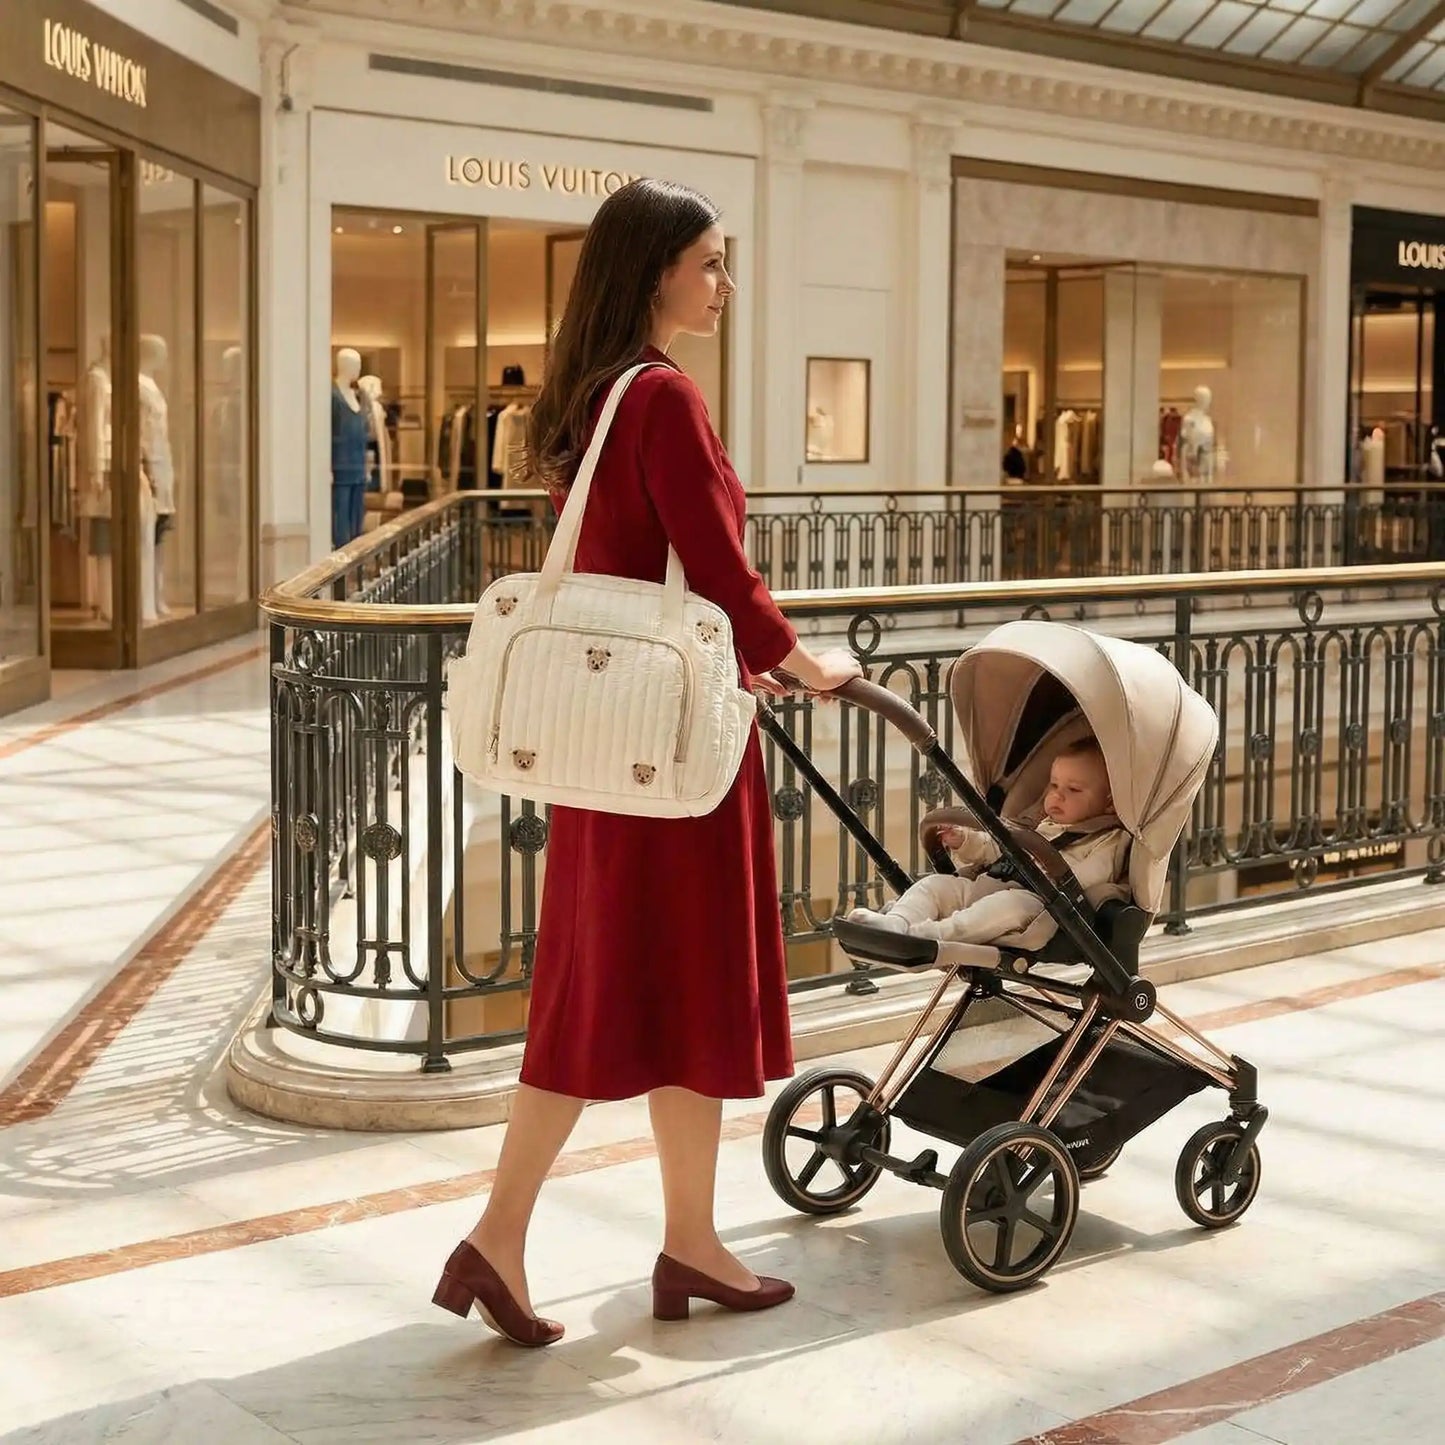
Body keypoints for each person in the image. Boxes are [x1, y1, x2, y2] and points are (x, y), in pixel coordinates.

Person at [432, 179, 863, 1347]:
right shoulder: (662, 398)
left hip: (609, 751)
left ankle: (671, 1238)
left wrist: (749, 656)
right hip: (673, 763)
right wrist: (799, 658)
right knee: (660, 989)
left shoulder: (595, 394)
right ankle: (517, 1233)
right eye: (711, 263)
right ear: (657, 270)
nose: (725, 284)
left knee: (623, 993)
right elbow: (713, 566)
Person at [847, 738, 1128, 948]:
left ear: (1109, 803)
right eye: (1054, 786)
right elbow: (996, 850)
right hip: (990, 883)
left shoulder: (1108, 838)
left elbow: (1094, 875)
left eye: (1074, 789)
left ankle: (926, 936)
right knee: (935, 886)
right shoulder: (1043, 827)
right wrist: (965, 840)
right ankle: (897, 923)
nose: (1058, 796)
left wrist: (1053, 869)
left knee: (1004, 907)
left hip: (1040, 906)